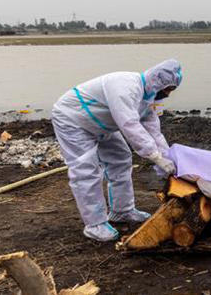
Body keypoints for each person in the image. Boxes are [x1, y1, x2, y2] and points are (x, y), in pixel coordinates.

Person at [51, 60, 183, 241]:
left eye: (171, 90)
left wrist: (167, 156)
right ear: (157, 81)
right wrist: (155, 156)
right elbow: (129, 124)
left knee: (121, 157)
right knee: (85, 169)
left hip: (102, 124)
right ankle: (95, 224)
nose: (167, 94)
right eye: (167, 89)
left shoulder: (148, 97)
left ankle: (122, 211)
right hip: (73, 120)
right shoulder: (126, 86)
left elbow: (153, 129)